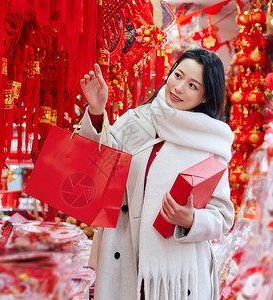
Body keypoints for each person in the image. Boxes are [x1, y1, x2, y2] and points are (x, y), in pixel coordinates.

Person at [79, 48, 235, 300]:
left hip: (175, 277)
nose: (179, 87)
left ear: (206, 96)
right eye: (178, 75)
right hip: (123, 255)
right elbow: (98, 165)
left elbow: (223, 217)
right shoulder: (137, 120)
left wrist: (191, 220)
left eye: (193, 85)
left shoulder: (210, 143)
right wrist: (97, 112)